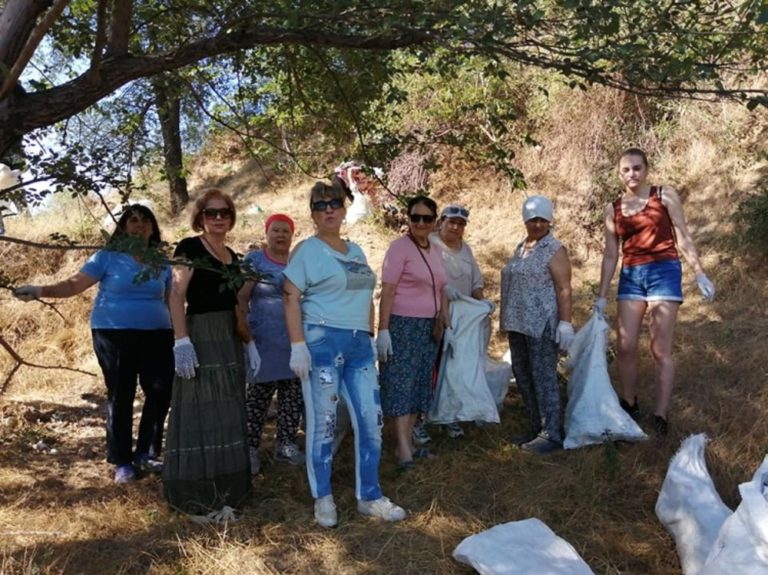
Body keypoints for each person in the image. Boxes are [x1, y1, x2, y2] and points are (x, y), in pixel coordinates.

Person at [13, 204, 174, 484]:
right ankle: (122, 461)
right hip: (113, 333)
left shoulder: (161, 262)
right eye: (132, 221)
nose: (139, 225)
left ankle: (146, 453)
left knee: (161, 392)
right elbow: (74, 285)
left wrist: (180, 335)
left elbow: (171, 299)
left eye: (145, 221)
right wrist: (39, 290)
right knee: (121, 393)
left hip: (158, 334)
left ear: (153, 228)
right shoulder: (107, 257)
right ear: (122, 227)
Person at [283, 178, 406, 528]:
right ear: (313, 213)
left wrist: (373, 333)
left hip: (358, 345)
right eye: (320, 205)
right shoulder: (307, 250)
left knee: (371, 421)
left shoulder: (356, 251)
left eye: (333, 202)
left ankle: (370, 495)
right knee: (322, 423)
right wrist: (297, 346)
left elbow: (366, 295)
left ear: (343, 206)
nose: (328, 210)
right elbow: (290, 297)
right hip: (321, 341)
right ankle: (322, 497)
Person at [595, 148, 715, 435]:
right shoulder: (612, 209)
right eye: (626, 169)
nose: (632, 174)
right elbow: (611, 255)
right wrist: (601, 294)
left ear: (646, 169)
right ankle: (628, 402)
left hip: (664, 270)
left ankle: (660, 415)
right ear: (619, 173)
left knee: (660, 349)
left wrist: (699, 271)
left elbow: (682, 235)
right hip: (631, 275)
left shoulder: (664, 195)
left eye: (637, 168)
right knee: (625, 345)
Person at [163, 188, 260, 521]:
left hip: (228, 339)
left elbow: (237, 305)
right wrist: (181, 341)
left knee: (228, 408)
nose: (218, 218)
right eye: (211, 213)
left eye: (224, 213)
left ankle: (228, 489)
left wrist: (248, 343)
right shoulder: (189, 248)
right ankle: (197, 491)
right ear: (200, 217)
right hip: (200, 336)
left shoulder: (233, 256)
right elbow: (175, 295)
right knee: (200, 408)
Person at [377, 195, 449, 471]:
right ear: (408, 219)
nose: (420, 223)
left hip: (428, 327)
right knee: (401, 384)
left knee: (419, 383)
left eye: (427, 218)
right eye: (415, 217)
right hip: (403, 325)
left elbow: (440, 287)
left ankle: (406, 442)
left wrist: (444, 317)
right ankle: (404, 448)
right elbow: (388, 290)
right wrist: (383, 329)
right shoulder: (399, 249)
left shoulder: (436, 249)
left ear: (435, 222)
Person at [500, 195, 574, 454]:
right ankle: (536, 426)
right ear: (525, 220)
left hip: (541, 323)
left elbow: (564, 288)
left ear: (550, 220)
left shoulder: (554, 249)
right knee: (522, 373)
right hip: (518, 322)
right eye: (533, 219)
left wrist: (565, 323)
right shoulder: (521, 247)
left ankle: (551, 433)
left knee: (543, 377)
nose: (538, 224)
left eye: (543, 219)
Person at [237, 213, 305, 475]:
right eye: (275, 230)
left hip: (292, 339)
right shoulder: (255, 260)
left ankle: (286, 445)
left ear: (292, 236)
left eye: (285, 231)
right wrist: (246, 338)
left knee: (292, 394)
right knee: (257, 397)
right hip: (263, 339)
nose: (280, 235)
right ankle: (251, 448)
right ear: (267, 233)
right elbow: (242, 298)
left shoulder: (299, 262)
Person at [425, 203, 487, 439]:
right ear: (441, 222)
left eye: (460, 224)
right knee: (431, 367)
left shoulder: (466, 250)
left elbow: (476, 283)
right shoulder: (430, 244)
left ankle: (450, 416)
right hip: (433, 316)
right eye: (451, 222)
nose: (455, 227)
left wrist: (482, 304)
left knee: (454, 369)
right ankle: (425, 414)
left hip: (461, 322)